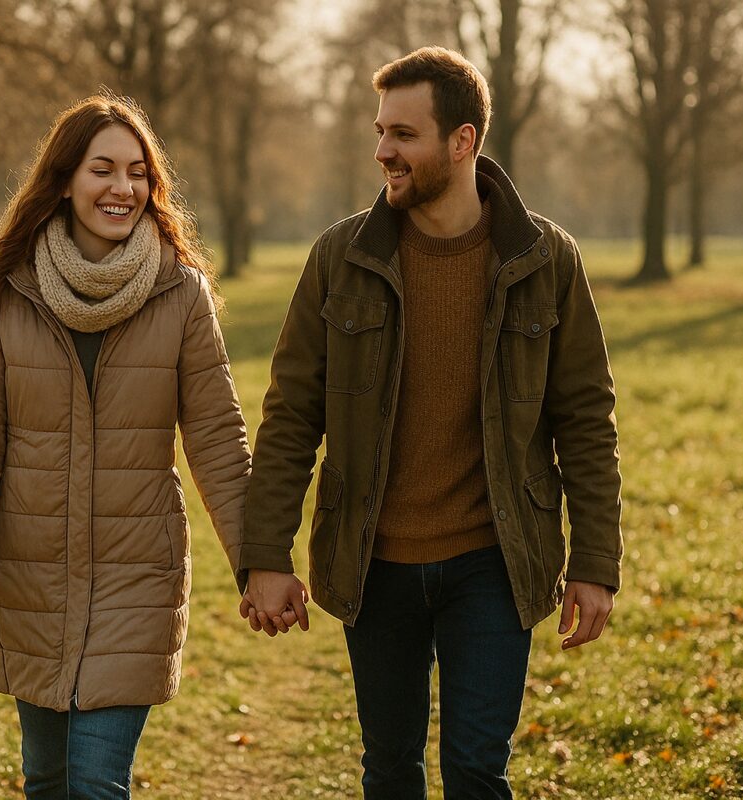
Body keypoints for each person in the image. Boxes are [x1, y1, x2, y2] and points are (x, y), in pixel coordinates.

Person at [238, 46, 623, 799]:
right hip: (374, 560)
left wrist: (595, 563)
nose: (383, 150)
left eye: (404, 135)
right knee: (389, 768)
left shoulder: (547, 260)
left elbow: (586, 421)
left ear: (462, 141)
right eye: (380, 132)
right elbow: (290, 419)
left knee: (478, 769)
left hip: (495, 562)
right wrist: (264, 555)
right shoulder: (338, 258)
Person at [0, 92, 251, 800]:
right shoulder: (8, 296)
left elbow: (219, 440)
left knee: (96, 784)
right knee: (47, 782)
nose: (122, 188)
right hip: (31, 579)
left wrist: (260, 564)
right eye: (103, 169)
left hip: (137, 578)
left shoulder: (181, 295)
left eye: (138, 173)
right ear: (65, 179)